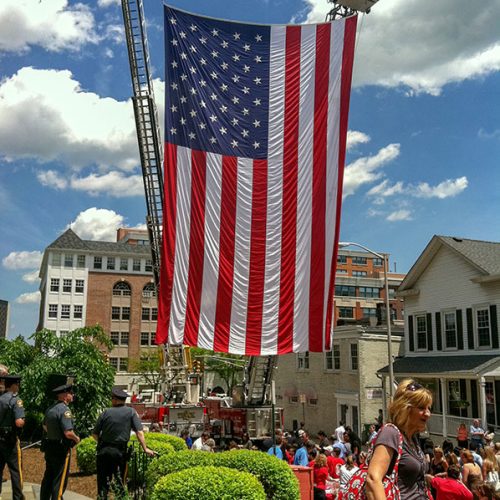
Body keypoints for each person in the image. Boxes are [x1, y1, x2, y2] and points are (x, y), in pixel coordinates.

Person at [365, 379, 433, 499]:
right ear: (406, 408)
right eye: (422, 408)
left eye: (429, 408)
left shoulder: (413, 438)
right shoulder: (390, 433)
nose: (427, 413)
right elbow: (373, 480)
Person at [92, 387, 155, 499]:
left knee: (102, 486)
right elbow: (139, 432)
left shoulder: (105, 412)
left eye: (112, 398)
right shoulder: (130, 412)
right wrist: (145, 448)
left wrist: (102, 443)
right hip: (119, 453)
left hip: (103, 452)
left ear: (115, 399)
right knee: (120, 484)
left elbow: (95, 434)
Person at [40, 383, 80, 500]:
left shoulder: (50, 409)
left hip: (50, 447)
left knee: (48, 477)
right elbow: (68, 433)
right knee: (59, 480)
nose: (72, 395)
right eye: (70, 393)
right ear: (64, 396)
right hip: (60, 449)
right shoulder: (65, 410)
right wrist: (76, 438)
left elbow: (44, 426)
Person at [0, 375, 25, 500]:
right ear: (13, 385)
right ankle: (18, 497)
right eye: (18, 384)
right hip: (10, 440)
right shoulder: (16, 400)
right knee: (15, 471)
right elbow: (19, 422)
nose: (19, 386)